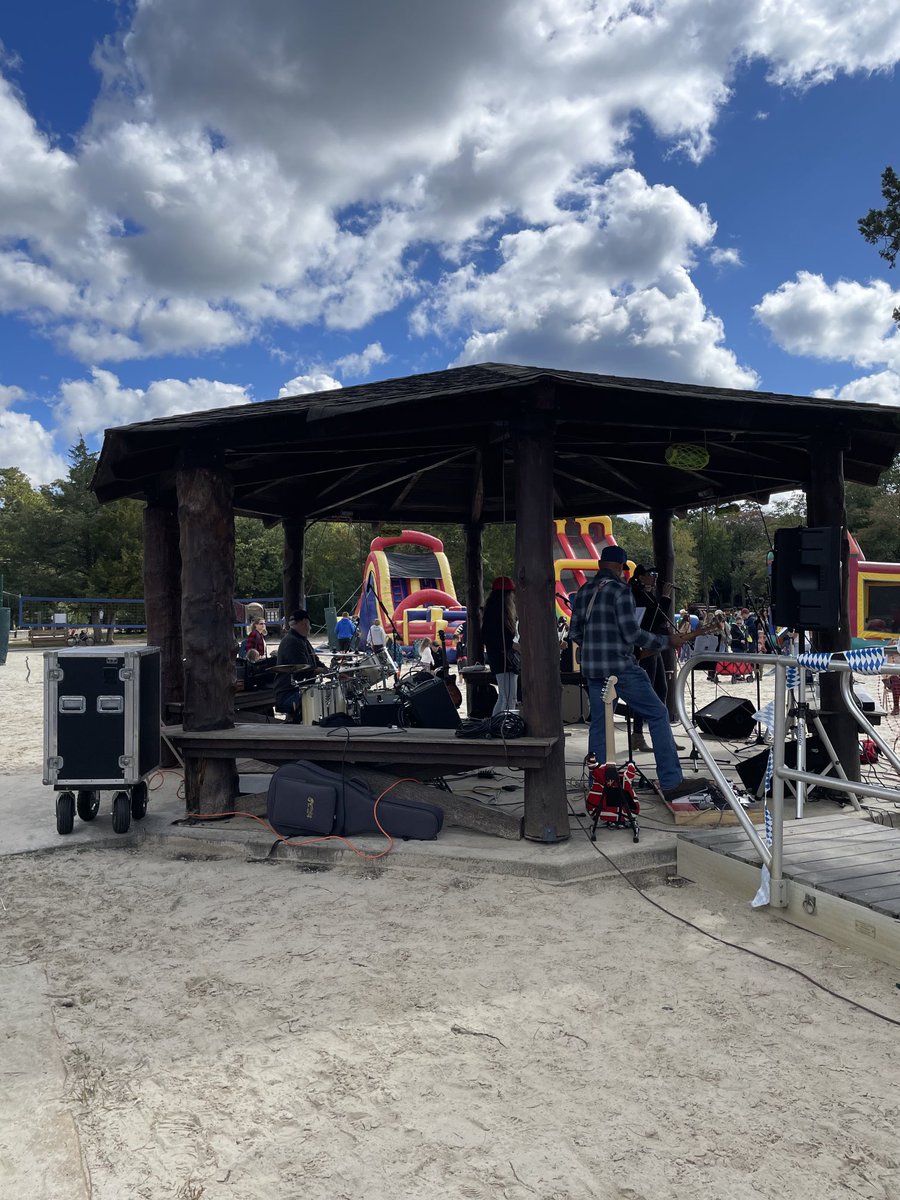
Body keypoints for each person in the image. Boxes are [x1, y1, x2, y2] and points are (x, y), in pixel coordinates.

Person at [569, 545, 711, 803]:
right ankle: (671, 781)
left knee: (601, 725)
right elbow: (632, 634)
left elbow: (575, 633)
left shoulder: (584, 591)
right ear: (620, 568)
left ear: (602, 564)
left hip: (593, 668)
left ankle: (598, 786)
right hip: (621, 668)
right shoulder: (620, 591)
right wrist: (667, 641)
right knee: (657, 714)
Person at [629, 564, 673, 753]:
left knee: (661, 688)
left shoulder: (648, 594)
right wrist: (664, 598)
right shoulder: (635, 593)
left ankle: (663, 735)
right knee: (645, 691)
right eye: (651, 574)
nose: (655, 577)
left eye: (656, 574)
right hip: (643, 645)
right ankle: (637, 734)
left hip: (653, 645)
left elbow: (658, 619)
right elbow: (651, 618)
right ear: (640, 576)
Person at [273, 609, 326, 720]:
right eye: (309, 624)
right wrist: (324, 671)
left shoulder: (302, 640)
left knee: (325, 693)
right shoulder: (292, 641)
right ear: (304, 622)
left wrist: (334, 672)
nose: (310, 628)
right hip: (289, 693)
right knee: (323, 697)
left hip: (301, 689)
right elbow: (304, 670)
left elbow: (317, 662)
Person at [481, 576, 520, 716]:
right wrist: (515, 647)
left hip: (501, 658)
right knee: (507, 698)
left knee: (507, 697)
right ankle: (499, 725)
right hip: (502, 658)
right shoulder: (498, 615)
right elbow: (498, 639)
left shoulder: (491, 612)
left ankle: (500, 725)